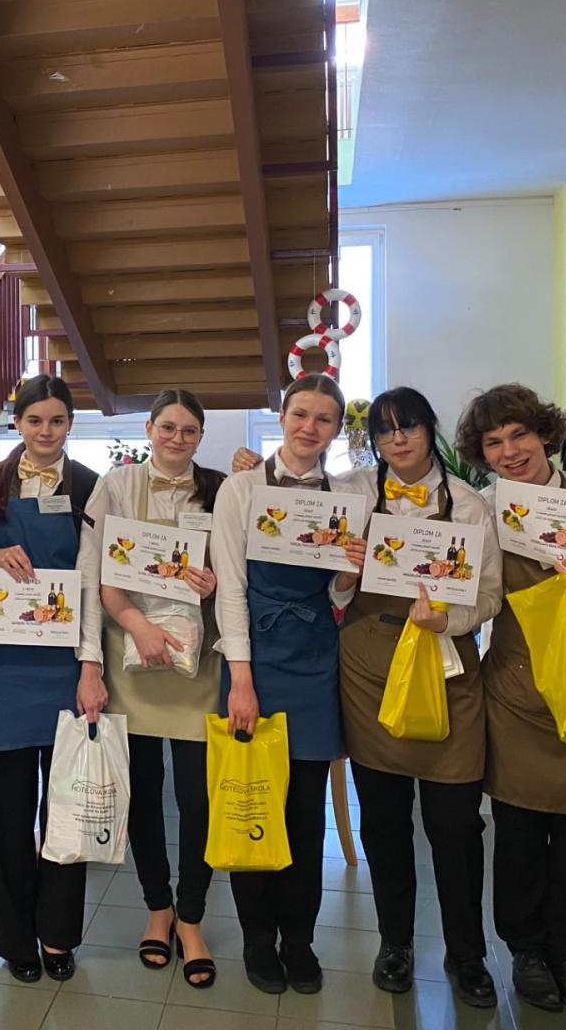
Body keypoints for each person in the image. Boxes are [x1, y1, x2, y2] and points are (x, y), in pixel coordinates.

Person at [455, 384, 566, 1015]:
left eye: (519, 434)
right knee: (520, 832)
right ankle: (526, 950)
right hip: (516, 688)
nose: (509, 451)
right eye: (494, 442)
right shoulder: (483, 511)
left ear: (544, 433)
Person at [331, 388, 503, 1007]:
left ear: (430, 430)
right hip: (369, 670)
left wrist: (448, 621)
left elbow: (490, 596)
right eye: (385, 431)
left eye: (408, 427)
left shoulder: (470, 505)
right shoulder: (352, 493)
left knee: (455, 825)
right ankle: (395, 943)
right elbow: (329, 583)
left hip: (447, 667)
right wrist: (346, 572)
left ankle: (467, 953)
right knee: (383, 822)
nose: (397, 440)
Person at [74, 389, 224, 989]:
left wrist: (212, 584)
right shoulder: (115, 486)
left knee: (197, 798)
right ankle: (157, 908)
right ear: (149, 429)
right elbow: (95, 573)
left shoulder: (220, 490)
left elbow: (233, 573)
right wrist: (130, 632)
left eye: (189, 430)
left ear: (200, 436)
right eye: (167, 427)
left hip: (195, 666)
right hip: (130, 659)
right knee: (140, 793)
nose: (177, 439)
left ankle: (192, 917)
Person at [211, 374, 355, 995]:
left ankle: (299, 940)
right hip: (255, 659)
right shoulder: (241, 489)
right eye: (300, 414)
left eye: (324, 419)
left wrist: (350, 572)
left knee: (304, 815)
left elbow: (339, 597)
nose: (309, 428)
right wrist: (241, 679)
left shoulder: (345, 497)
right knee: (253, 802)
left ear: (337, 429)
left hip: (316, 657)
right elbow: (231, 588)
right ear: (283, 416)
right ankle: (255, 938)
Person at [0, 375, 96, 983]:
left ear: (70, 425)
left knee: (65, 809)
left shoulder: (90, 486)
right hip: (5, 667)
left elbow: (97, 581)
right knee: (7, 816)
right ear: (17, 423)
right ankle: (16, 941)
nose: (45, 431)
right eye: (34, 420)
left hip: (65, 667)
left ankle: (57, 936)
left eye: (56, 421)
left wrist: (91, 666)